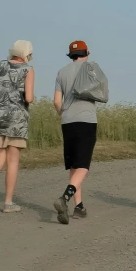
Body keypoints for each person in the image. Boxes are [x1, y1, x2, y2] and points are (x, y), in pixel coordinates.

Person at [0, 40, 35, 213]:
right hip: (15, 121)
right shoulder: (28, 70)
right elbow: (29, 98)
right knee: (12, 161)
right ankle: (8, 203)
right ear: (26, 54)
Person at [52, 40, 99, 224]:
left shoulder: (61, 72)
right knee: (83, 165)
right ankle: (65, 198)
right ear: (86, 52)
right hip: (86, 120)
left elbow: (57, 101)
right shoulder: (91, 69)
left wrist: (63, 115)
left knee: (73, 165)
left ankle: (78, 207)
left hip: (67, 122)